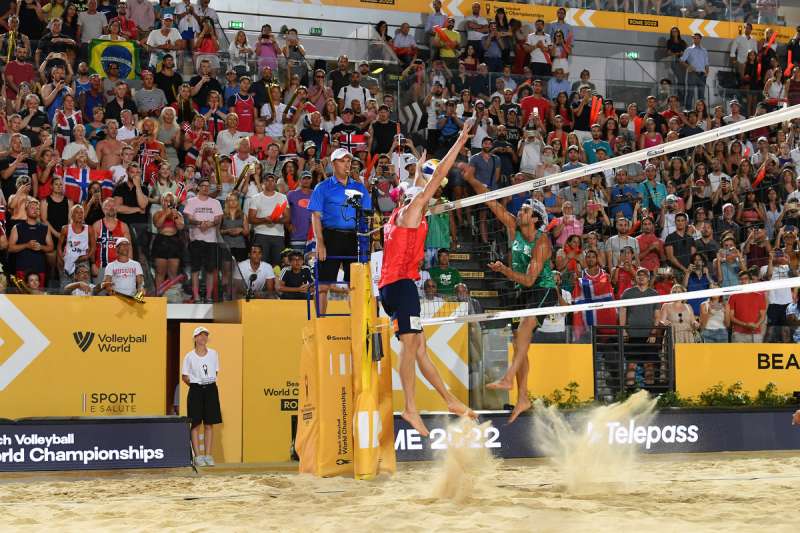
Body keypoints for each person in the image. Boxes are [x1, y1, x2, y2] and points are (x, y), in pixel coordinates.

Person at [378, 119, 476, 437]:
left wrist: (418, 167)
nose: (425, 193)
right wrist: (460, 140)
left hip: (392, 288)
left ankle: (449, 400)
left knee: (420, 349)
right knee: (410, 349)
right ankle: (409, 407)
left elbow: (419, 188)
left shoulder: (397, 213)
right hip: (402, 286)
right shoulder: (415, 209)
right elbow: (440, 176)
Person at [309, 148, 371, 315]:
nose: (347, 164)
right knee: (322, 285)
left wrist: (366, 242)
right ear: (333, 164)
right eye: (343, 161)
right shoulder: (323, 187)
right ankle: (320, 322)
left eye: (349, 161)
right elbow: (315, 216)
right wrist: (320, 243)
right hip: (330, 236)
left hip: (353, 237)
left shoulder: (357, 187)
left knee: (354, 285)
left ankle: (357, 324)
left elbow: (363, 215)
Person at [181, 326, 221, 468]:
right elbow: (184, 376)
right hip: (196, 390)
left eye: (205, 335)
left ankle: (208, 455)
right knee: (196, 423)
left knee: (209, 423)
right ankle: (198, 456)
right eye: (200, 335)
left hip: (210, 389)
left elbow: (215, 372)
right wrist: (195, 384)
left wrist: (207, 382)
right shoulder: (189, 356)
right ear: (195, 338)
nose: (203, 338)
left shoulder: (214, 354)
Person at [184, 178, 223, 303]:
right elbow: (189, 219)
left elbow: (218, 219)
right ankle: (196, 296)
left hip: (211, 240)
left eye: (208, 186)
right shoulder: (191, 201)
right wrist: (201, 223)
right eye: (203, 186)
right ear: (198, 187)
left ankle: (208, 297)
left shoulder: (215, 202)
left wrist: (209, 224)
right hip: (196, 239)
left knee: (210, 270)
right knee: (195, 269)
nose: (206, 188)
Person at [8, 198, 53, 286]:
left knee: (38, 297)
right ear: (26, 210)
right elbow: (10, 248)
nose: (35, 210)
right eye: (32, 208)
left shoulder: (45, 228)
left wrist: (41, 247)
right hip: (22, 268)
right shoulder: (17, 227)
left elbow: (51, 247)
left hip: (39, 268)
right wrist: (26, 245)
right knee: (21, 297)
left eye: (37, 208)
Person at [725, 269, 767, 342]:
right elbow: (731, 316)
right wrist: (745, 324)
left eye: (745, 279)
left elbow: (763, 315)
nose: (743, 281)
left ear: (750, 280)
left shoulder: (760, 295)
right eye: (741, 279)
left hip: (755, 333)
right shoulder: (733, 296)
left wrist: (757, 325)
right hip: (738, 333)